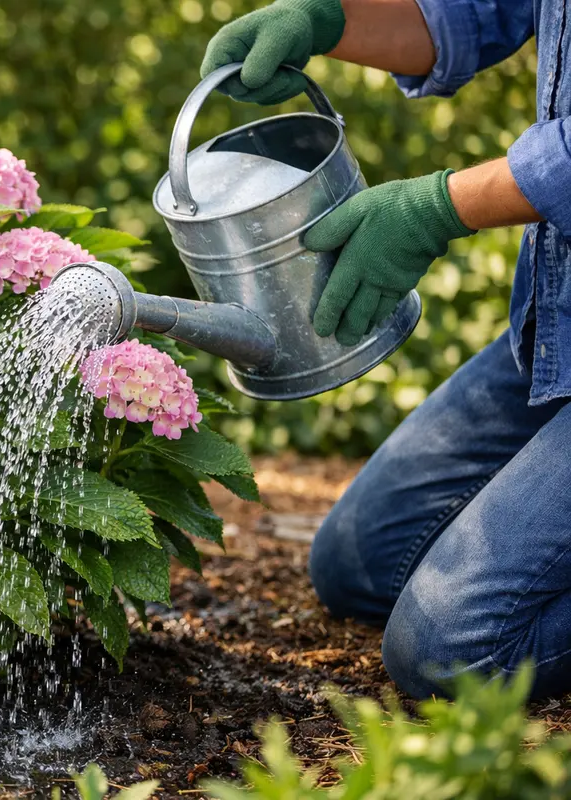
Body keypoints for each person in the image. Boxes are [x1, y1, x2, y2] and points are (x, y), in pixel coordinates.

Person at [201, 0, 571, 701]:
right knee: (357, 564)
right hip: (559, 324)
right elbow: (476, 13)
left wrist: (435, 208)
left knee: (449, 650)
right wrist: (326, 21)